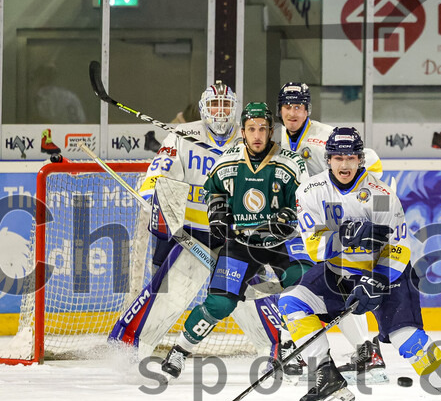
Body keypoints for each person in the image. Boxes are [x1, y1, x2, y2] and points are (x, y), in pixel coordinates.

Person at [278, 128, 441, 401]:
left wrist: (377, 279)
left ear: (360, 160)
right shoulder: (310, 191)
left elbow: (399, 246)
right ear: (328, 159)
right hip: (337, 272)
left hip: (384, 274)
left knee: (407, 337)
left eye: (351, 157)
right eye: (338, 157)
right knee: (292, 302)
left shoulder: (378, 194)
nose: (345, 164)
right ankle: (327, 377)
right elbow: (314, 247)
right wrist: (348, 235)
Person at [110, 84, 291, 364]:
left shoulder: (250, 139)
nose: (221, 111)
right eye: (215, 105)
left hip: (236, 236)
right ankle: (126, 349)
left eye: (226, 106)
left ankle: (279, 349)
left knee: (252, 297)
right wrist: (151, 194)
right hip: (191, 234)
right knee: (165, 296)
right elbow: (158, 173)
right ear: (205, 108)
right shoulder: (183, 136)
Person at [159, 103, 311, 380]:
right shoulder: (227, 160)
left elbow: (306, 201)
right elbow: (214, 191)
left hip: (283, 241)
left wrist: (289, 214)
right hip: (242, 242)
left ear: (271, 131)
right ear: (242, 131)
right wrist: (216, 214)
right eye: (251, 129)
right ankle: (180, 350)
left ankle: (289, 346)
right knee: (220, 304)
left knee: (302, 283)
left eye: (262, 129)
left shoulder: (292, 162)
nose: (257, 135)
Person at [276, 82, 388, 385]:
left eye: (298, 106)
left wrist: (356, 195)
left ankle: (367, 349)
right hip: (305, 223)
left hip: (339, 224)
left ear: (308, 109)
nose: (293, 112)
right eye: (287, 107)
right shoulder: (277, 140)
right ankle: (309, 348)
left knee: (334, 282)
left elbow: (372, 161)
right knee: (301, 284)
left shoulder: (325, 135)